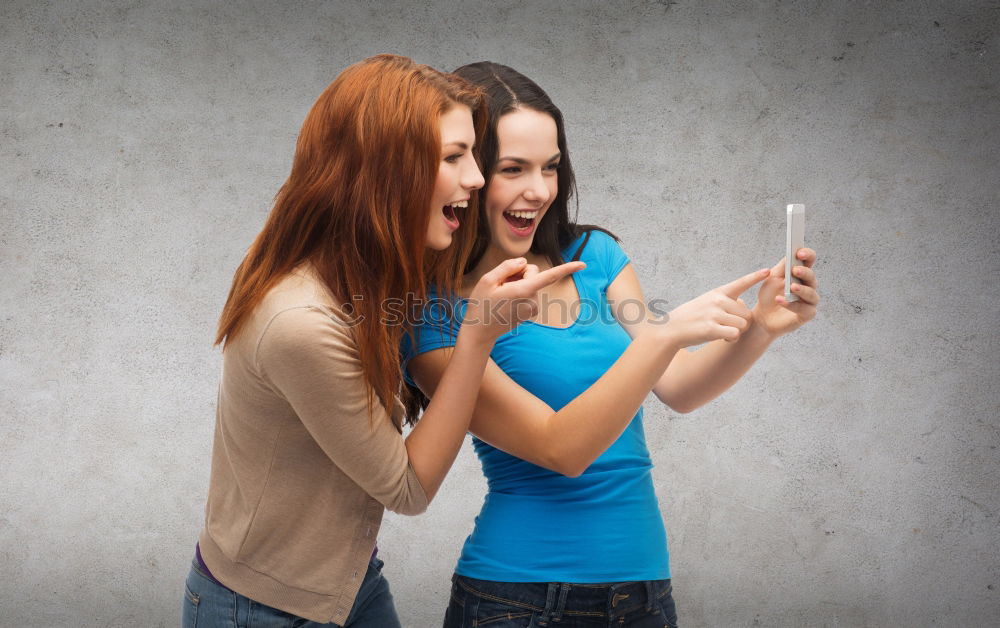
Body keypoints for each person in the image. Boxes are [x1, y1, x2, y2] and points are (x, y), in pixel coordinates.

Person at [404, 62, 821, 627]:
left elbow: (677, 386)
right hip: (516, 603)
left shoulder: (593, 255)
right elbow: (562, 450)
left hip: (645, 591)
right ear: (468, 173)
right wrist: (667, 335)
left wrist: (762, 328)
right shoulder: (437, 315)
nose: (540, 190)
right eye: (512, 169)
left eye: (551, 168)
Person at [182, 55, 585, 628]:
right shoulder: (303, 324)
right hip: (268, 606)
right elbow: (408, 488)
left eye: (473, 153)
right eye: (453, 156)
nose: (476, 177)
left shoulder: (370, 274)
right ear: (382, 172)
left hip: (351, 584)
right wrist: (476, 339)